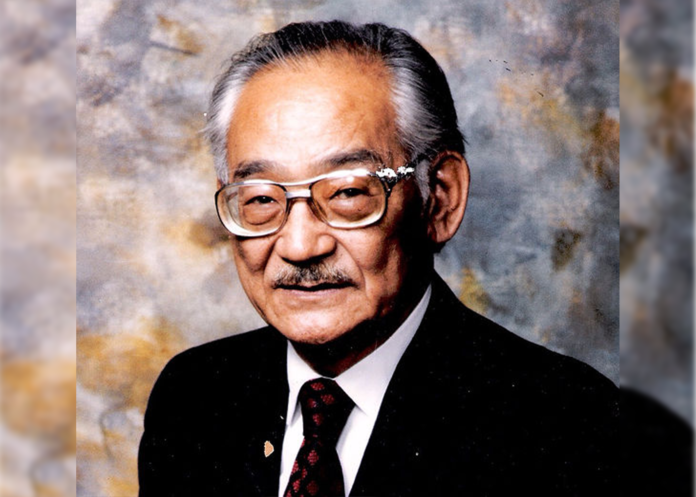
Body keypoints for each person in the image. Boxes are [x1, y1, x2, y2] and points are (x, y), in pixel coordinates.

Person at [138, 20, 618, 496]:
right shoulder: (195, 397)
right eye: (262, 199)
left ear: (440, 198)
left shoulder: (565, 426)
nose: (300, 246)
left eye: (348, 192)